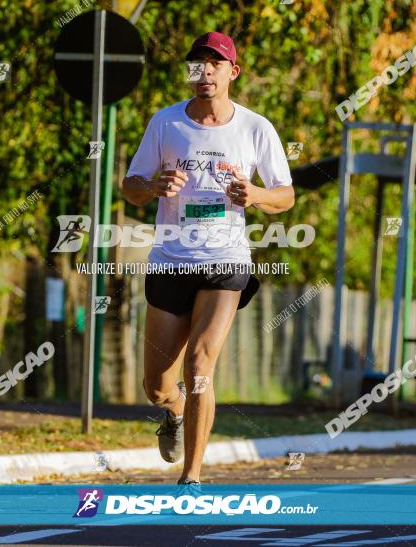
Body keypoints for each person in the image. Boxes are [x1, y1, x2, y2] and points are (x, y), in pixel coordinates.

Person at [121, 31, 294, 486]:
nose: (205, 72)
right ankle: (174, 412)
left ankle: (192, 476)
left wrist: (254, 194)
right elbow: (130, 185)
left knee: (200, 364)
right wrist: (154, 186)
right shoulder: (166, 123)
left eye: (215, 64)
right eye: (197, 64)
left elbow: (286, 195)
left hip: (226, 259)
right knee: (157, 386)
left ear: (232, 71)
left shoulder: (256, 128)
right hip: (170, 260)